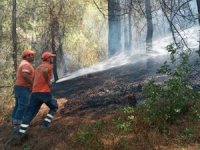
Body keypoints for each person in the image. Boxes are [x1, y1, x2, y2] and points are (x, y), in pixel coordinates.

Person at [17, 51, 58, 136]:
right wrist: (48, 82)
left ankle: (20, 133)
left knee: (30, 112)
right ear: (48, 58)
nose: (52, 59)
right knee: (54, 106)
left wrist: (34, 87)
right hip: (44, 92)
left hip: (34, 93)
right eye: (51, 57)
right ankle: (44, 124)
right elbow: (45, 72)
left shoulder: (38, 67)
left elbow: (33, 79)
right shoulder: (48, 65)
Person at [12, 49, 36, 131]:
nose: (32, 57)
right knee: (22, 106)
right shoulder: (26, 65)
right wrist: (33, 84)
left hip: (19, 87)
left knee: (18, 105)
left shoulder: (24, 63)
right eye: (31, 55)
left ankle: (14, 122)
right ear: (26, 56)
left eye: (32, 55)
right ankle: (17, 127)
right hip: (23, 88)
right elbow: (25, 75)